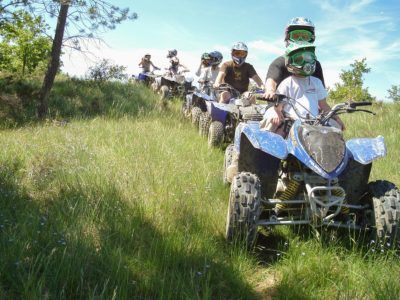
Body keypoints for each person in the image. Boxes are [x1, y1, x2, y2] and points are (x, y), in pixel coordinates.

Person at [260, 42, 345, 135]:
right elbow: (280, 104)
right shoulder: (287, 83)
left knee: (335, 131)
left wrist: (335, 117)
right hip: (291, 122)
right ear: (290, 61)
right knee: (276, 139)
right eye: (299, 59)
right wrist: (276, 111)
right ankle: (263, 147)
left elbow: (323, 105)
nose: (305, 62)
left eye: (309, 58)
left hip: (315, 123)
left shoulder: (316, 82)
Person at [264, 17, 325, 99]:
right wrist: (270, 91)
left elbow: (320, 90)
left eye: (305, 36)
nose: (300, 40)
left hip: (309, 108)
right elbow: (271, 80)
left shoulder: (315, 64)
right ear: (288, 37)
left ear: (312, 38)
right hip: (279, 105)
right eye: (296, 36)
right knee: (272, 111)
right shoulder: (279, 62)